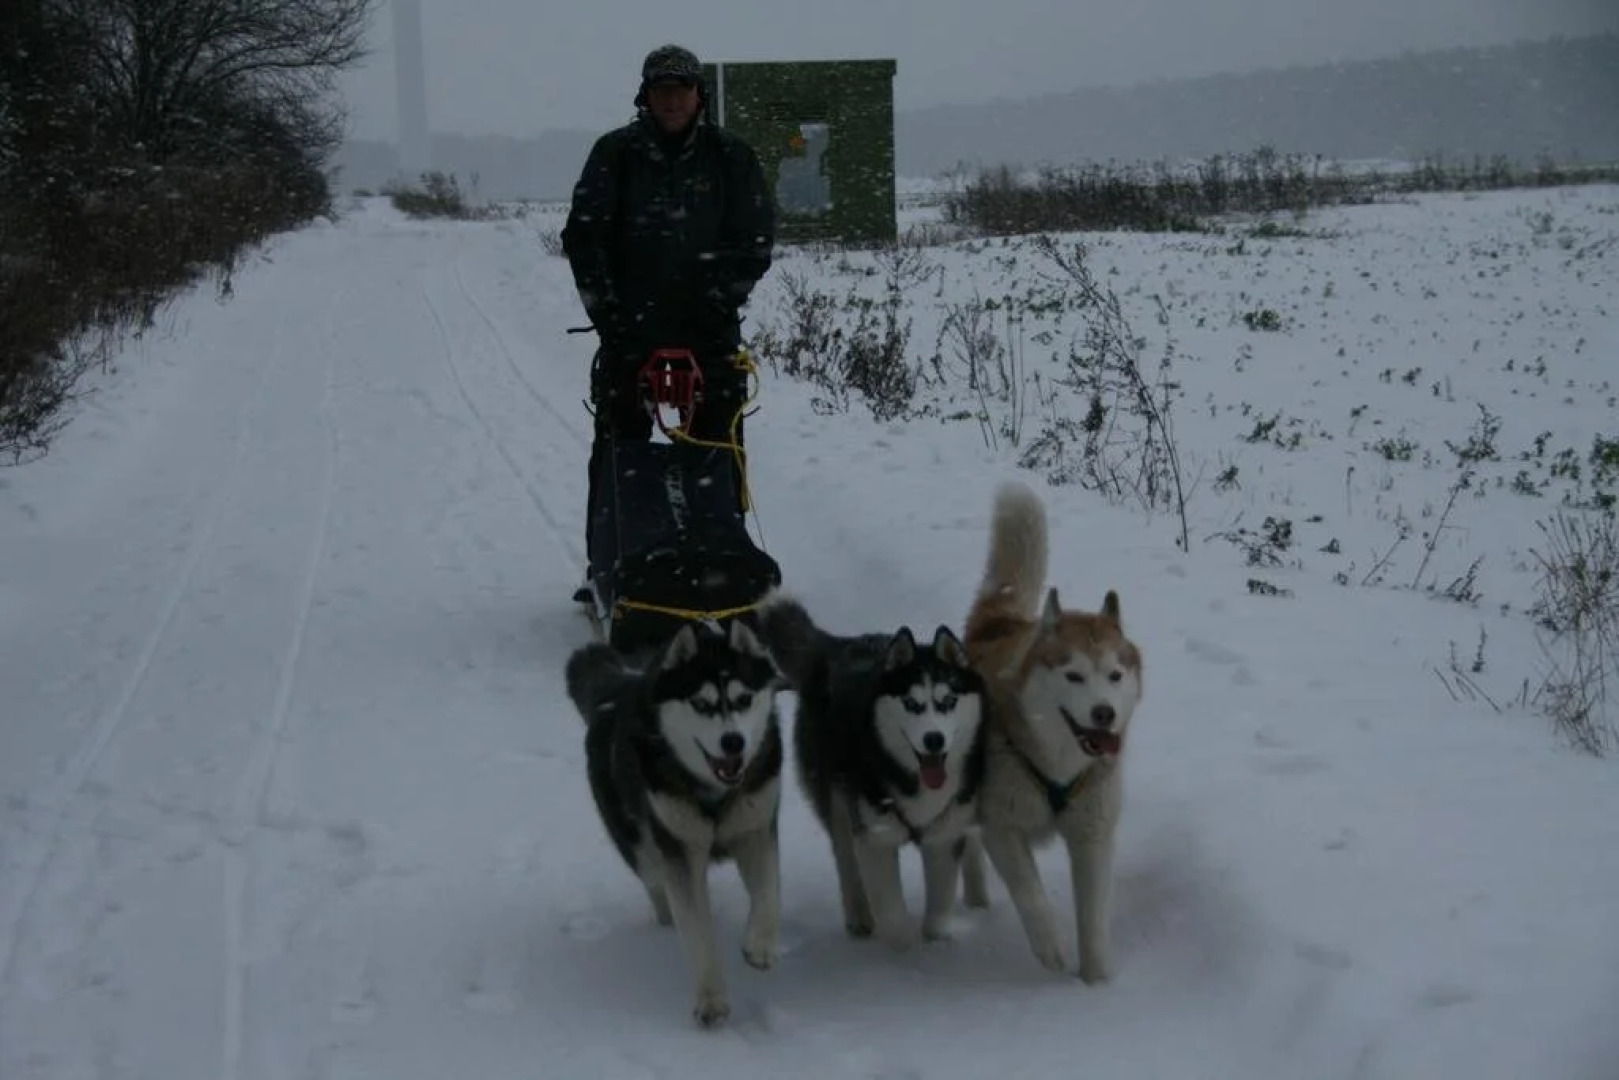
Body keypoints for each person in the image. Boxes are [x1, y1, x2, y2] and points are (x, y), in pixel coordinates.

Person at [561, 44, 776, 600]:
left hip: (709, 328)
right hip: (631, 329)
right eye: (662, 90)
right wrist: (613, 318)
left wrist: (714, 304)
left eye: (682, 89)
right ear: (646, 96)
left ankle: (724, 554)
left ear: (699, 95)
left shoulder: (732, 156)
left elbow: (753, 242)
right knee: (617, 445)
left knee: (720, 443)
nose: (673, 100)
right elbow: (584, 239)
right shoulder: (614, 154)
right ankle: (608, 564)